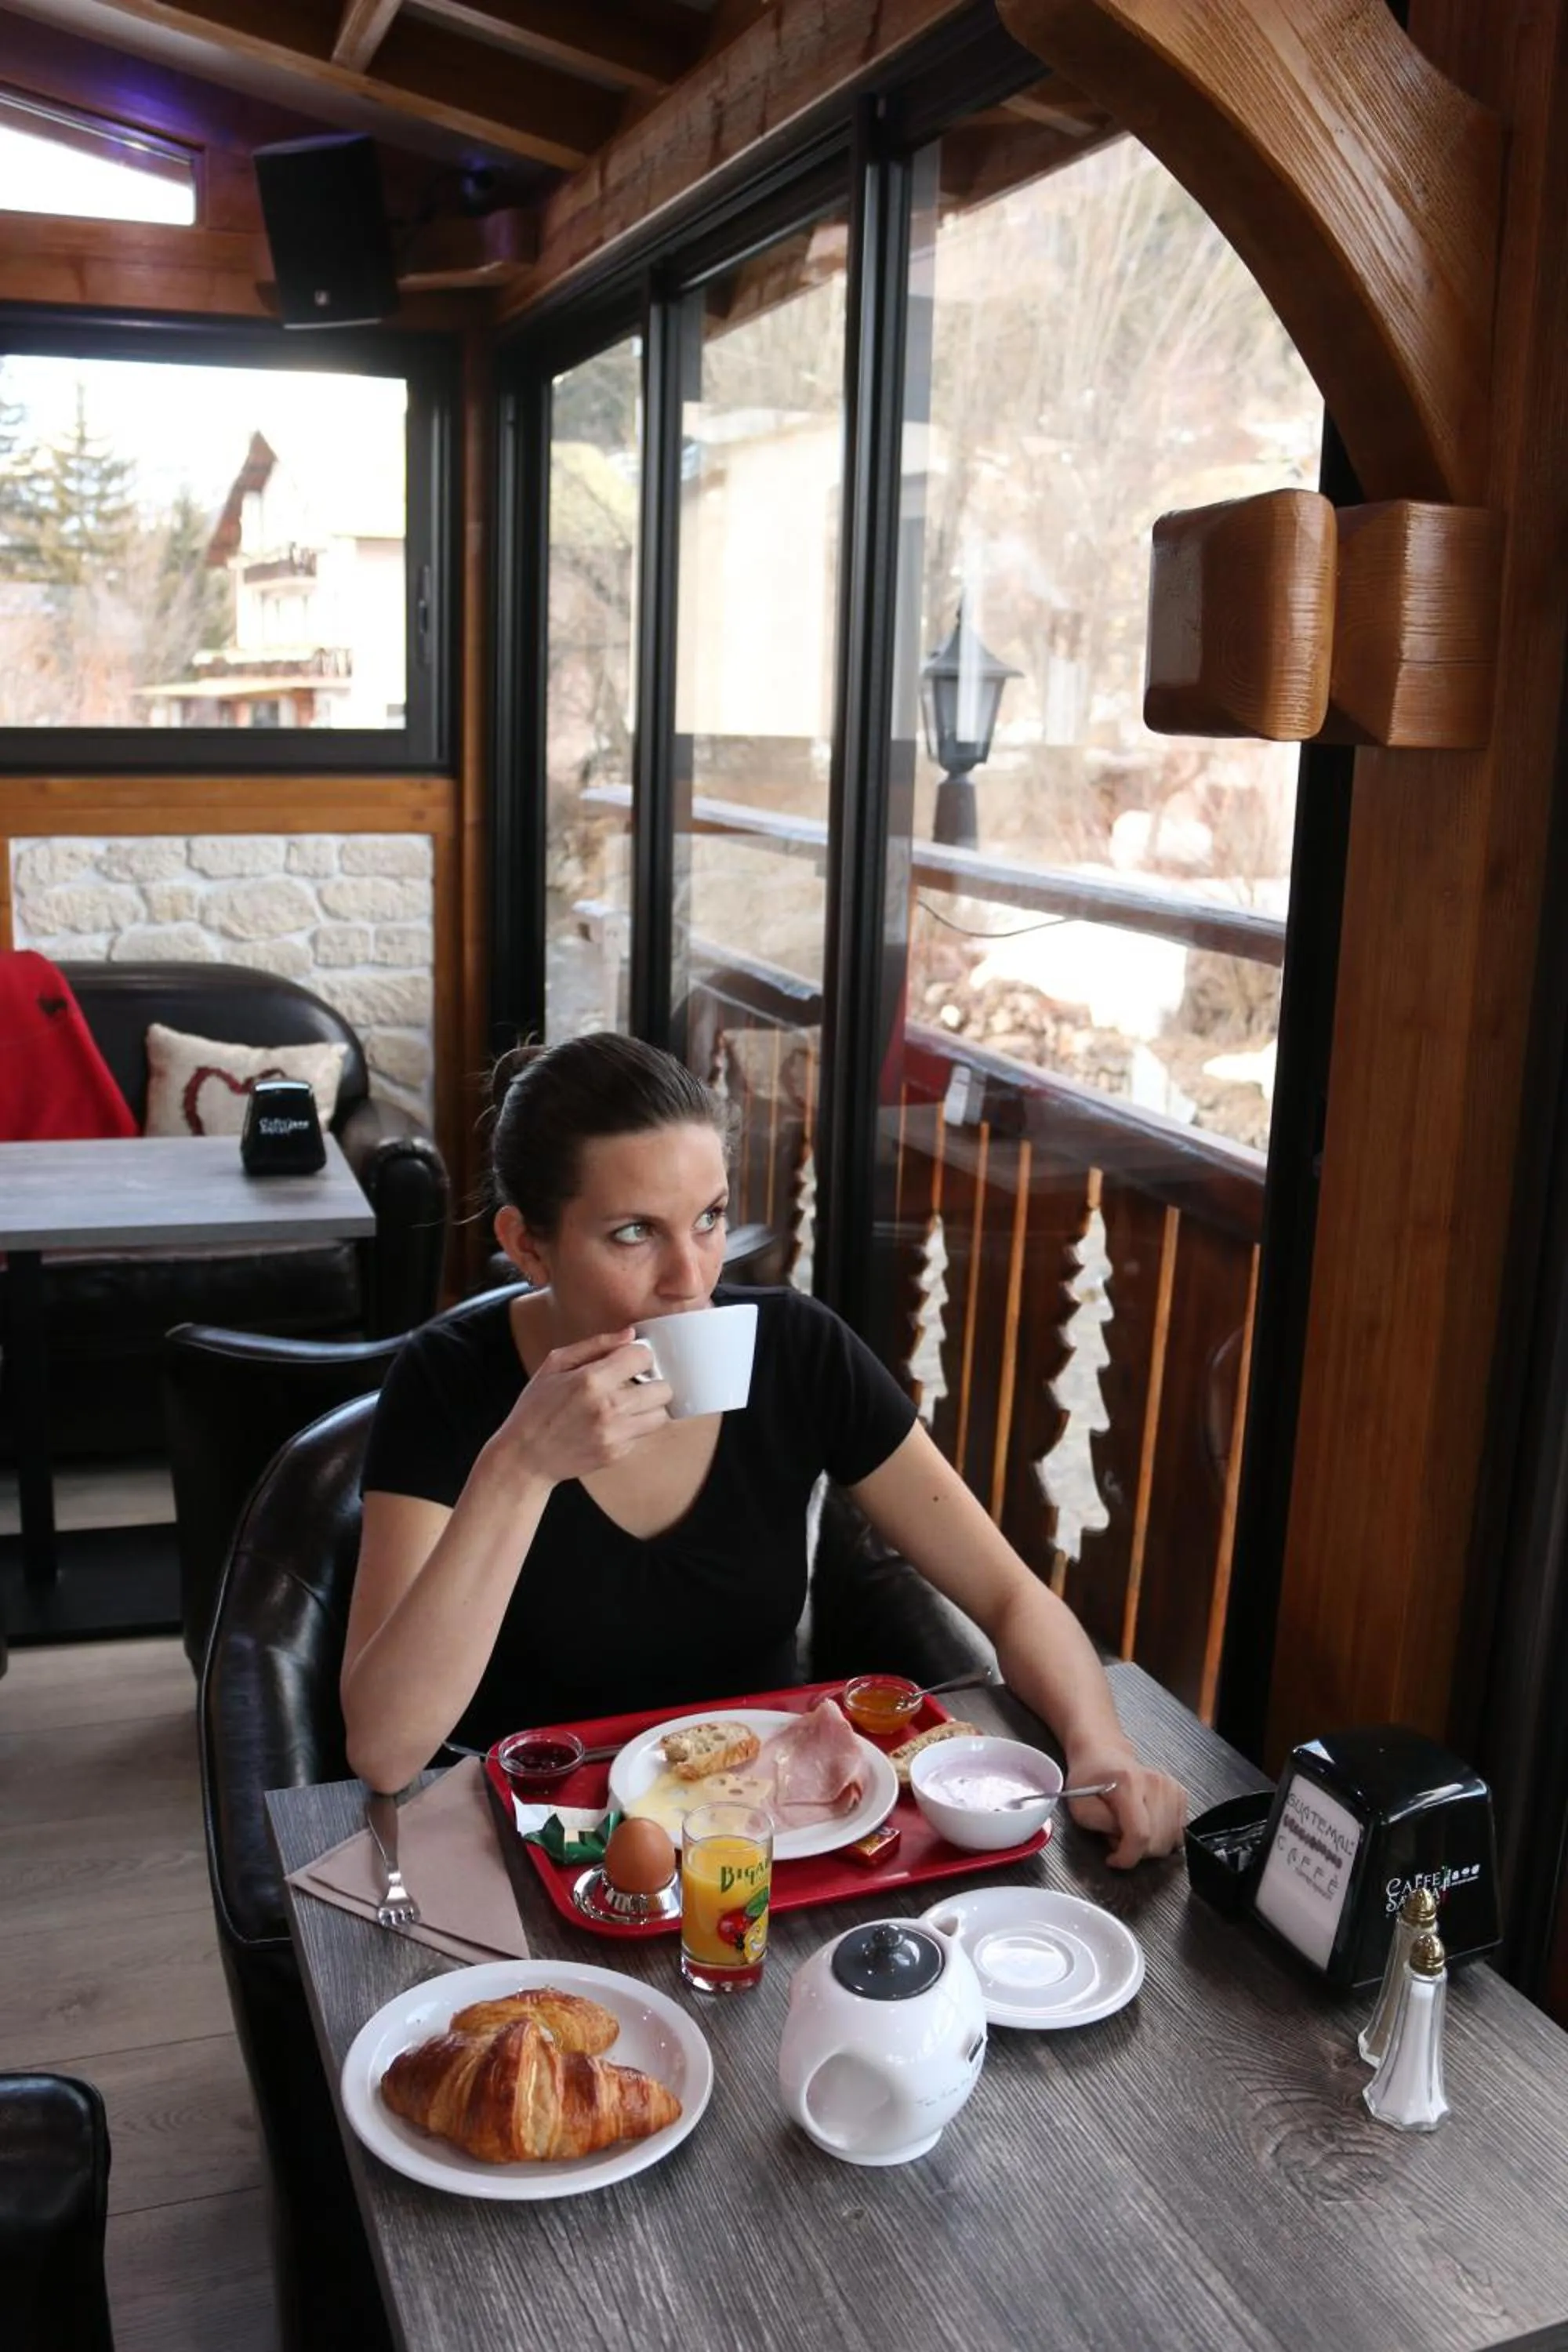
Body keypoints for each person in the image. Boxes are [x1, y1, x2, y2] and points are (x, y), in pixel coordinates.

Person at [342, 1033, 1187, 1866]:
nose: (690, 1278)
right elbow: (384, 1750)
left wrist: (1098, 1743)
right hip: (546, 1858)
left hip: (776, 1845)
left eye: (708, 1218)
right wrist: (520, 1469)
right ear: (528, 1244)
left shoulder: (795, 1350)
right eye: (634, 1233)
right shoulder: (448, 1382)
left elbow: (1009, 1597)